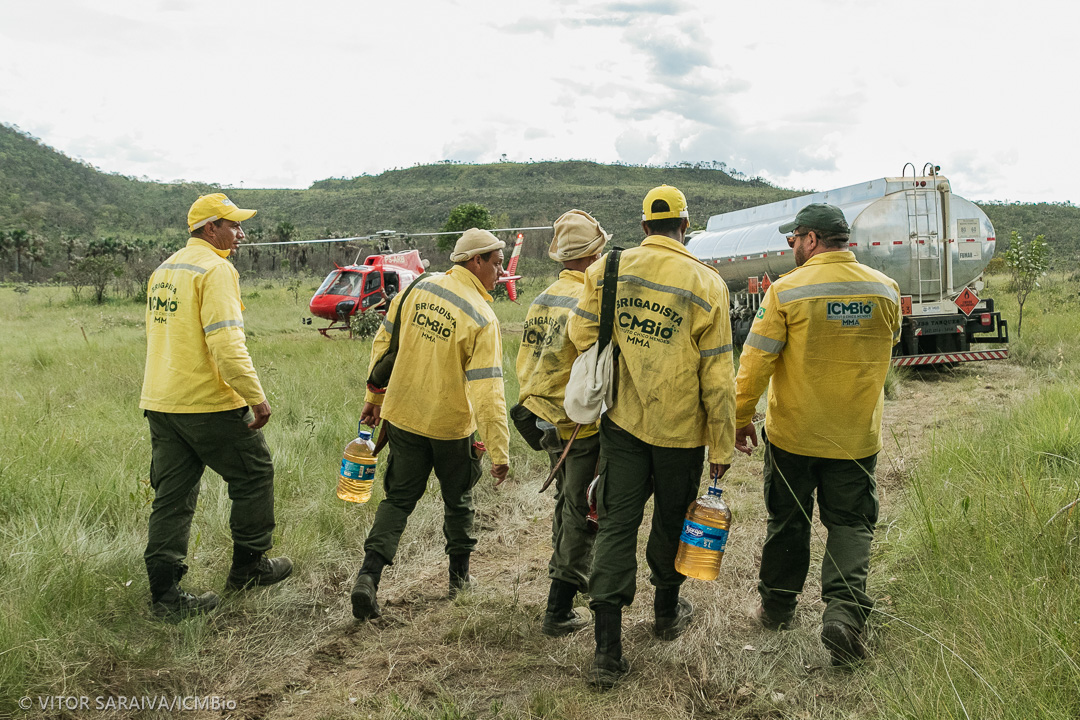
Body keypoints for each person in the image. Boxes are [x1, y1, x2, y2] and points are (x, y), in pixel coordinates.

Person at [568, 185, 736, 688]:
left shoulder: (608, 268)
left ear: (644, 227)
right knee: (670, 522)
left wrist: (630, 346)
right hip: (682, 434)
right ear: (685, 226)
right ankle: (666, 615)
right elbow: (718, 377)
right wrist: (721, 446)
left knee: (616, 525)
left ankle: (607, 651)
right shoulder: (707, 283)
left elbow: (581, 335)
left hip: (622, 424)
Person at [734, 202, 902, 666]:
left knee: (789, 520)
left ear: (810, 239)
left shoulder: (786, 292)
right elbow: (889, 345)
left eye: (794, 239)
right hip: (855, 438)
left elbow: (755, 362)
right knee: (851, 523)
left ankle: (777, 609)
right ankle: (844, 614)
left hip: (794, 437)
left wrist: (740, 415)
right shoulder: (885, 289)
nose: (792, 246)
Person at [140, 193, 292, 621]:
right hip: (206, 402)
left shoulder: (164, 269)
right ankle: (249, 569)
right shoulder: (216, 269)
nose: (241, 233)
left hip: (161, 401)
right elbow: (226, 342)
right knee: (254, 474)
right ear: (211, 228)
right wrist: (255, 396)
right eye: (234, 225)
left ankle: (165, 595)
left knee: (172, 497)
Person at [350, 228, 511, 620]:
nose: (501, 271)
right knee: (458, 501)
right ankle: (459, 582)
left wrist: (374, 399)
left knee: (398, 500)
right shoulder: (482, 316)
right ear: (476, 261)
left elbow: (382, 347)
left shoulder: (415, 289)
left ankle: (367, 577)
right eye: (496, 262)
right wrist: (499, 450)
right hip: (451, 429)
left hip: (403, 418)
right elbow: (488, 390)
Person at [514, 210, 609, 637]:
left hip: (542, 417)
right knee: (582, 510)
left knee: (566, 502)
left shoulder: (544, 296)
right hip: (577, 425)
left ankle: (561, 583)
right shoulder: (589, 298)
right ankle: (559, 607)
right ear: (594, 254)